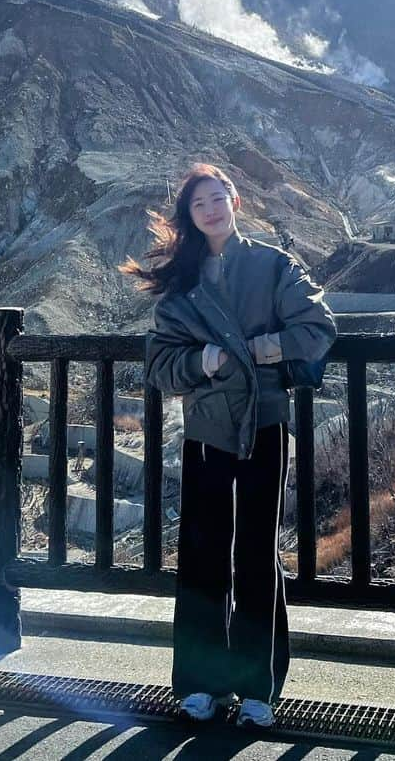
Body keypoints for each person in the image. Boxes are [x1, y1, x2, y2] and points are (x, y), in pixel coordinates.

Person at [122, 164, 336, 728]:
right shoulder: (181, 284)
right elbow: (162, 365)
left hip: (264, 425)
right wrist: (204, 361)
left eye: (218, 198)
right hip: (206, 432)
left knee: (257, 555)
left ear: (236, 201)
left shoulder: (273, 265)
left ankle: (258, 686)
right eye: (199, 204)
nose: (211, 209)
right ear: (189, 217)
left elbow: (316, 328)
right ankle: (200, 684)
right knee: (202, 554)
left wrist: (256, 350)